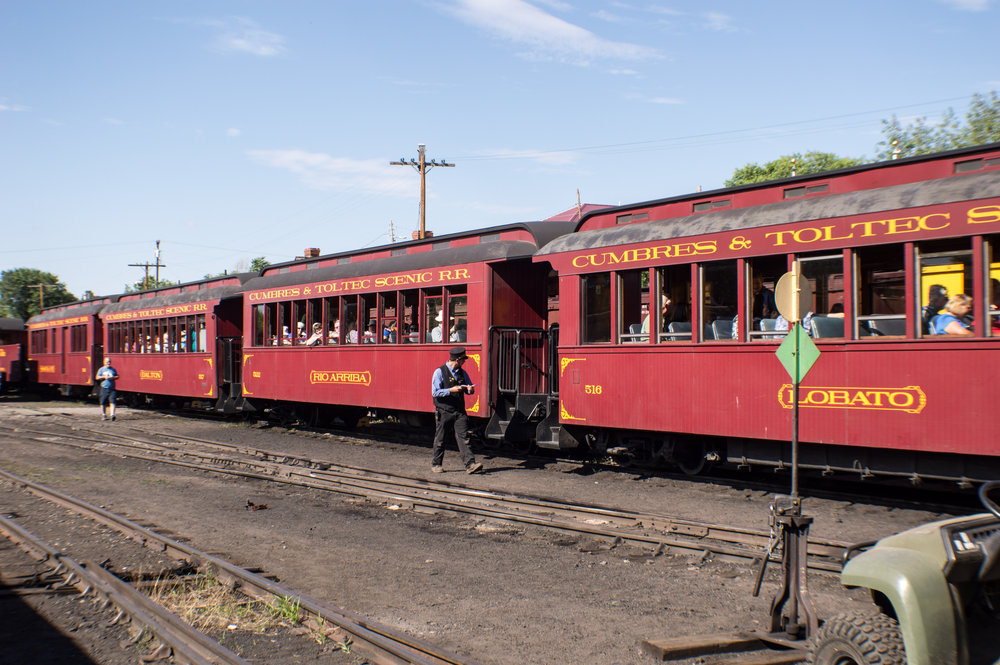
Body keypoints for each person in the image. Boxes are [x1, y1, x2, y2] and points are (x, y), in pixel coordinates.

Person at [430, 347, 483, 474]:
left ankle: (470, 464)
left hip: (459, 410)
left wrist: (470, 389)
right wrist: (450, 390)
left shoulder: (462, 373)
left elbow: (469, 387)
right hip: (444, 411)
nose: (464, 362)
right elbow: (435, 392)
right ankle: (436, 464)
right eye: (463, 360)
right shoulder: (439, 372)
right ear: (458, 360)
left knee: (464, 437)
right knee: (441, 438)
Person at [95, 357, 119, 422]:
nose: (108, 363)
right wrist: (104, 377)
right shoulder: (101, 369)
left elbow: (117, 376)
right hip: (104, 388)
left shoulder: (113, 369)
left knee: (113, 402)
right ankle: (104, 414)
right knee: (103, 402)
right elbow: (97, 377)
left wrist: (113, 377)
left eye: (109, 362)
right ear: (104, 362)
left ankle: (112, 415)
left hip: (112, 388)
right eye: (107, 362)